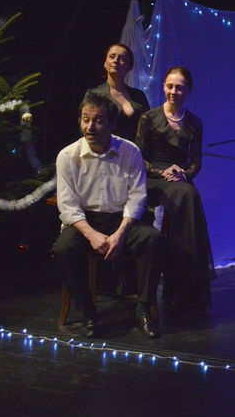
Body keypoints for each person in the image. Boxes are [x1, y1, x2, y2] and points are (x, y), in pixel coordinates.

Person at [52, 93, 163, 339]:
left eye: (98, 120)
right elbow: (68, 206)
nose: (90, 127)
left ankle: (143, 309)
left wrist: (120, 234)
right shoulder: (67, 156)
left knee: (152, 240)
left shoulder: (130, 152)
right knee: (63, 249)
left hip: (122, 220)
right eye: (85, 119)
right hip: (85, 222)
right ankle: (88, 313)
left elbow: (137, 197)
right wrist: (91, 234)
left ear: (112, 124)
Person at [135, 66, 214, 310]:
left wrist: (184, 173)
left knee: (189, 195)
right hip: (153, 176)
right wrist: (162, 172)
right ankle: (176, 283)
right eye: (169, 86)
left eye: (179, 87)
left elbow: (196, 162)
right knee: (186, 194)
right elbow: (138, 158)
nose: (173, 91)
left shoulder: (195, 122)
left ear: (187, 90)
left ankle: (186, 285)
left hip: (179, 178)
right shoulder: (149, 118)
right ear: (163, 87)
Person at [86, 43, 150, 142]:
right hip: (106, 149)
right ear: (105, 63)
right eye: (112, 57)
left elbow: (149, 128)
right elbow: (86, 126)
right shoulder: (94, 94)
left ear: (129, 67)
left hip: (135, 150)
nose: (115, 60)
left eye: (122, 58)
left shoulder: (139, 96)